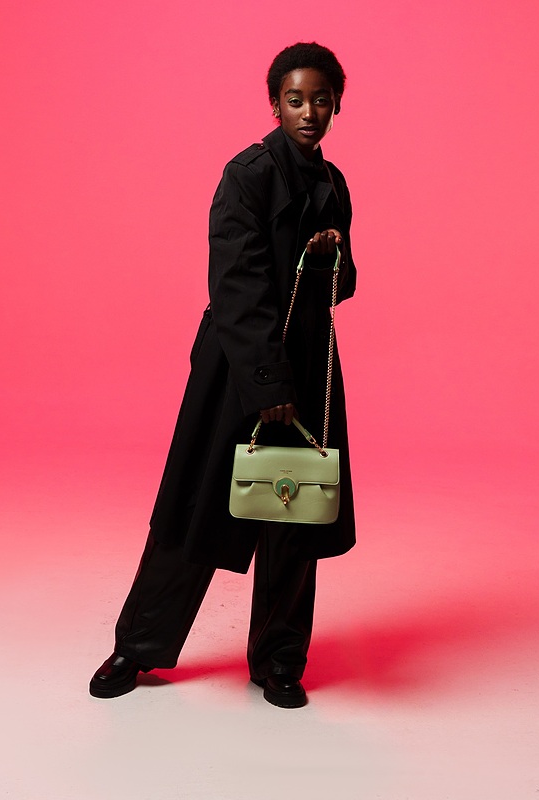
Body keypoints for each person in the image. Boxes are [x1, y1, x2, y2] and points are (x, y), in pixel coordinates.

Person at [89, 42, 356, 709]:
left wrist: (333, 257)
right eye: (295, 99)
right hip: (238, 367)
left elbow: (341, 287)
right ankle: (138, 647)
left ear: (336, 106)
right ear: (275, 104)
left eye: (321, 100)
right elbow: (235, 286)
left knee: (296, 514)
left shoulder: (334, 184)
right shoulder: (247, 175)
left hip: (311, 362)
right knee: (194, 510)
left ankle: (279, 662)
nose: (309, 112)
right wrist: (267, 385)